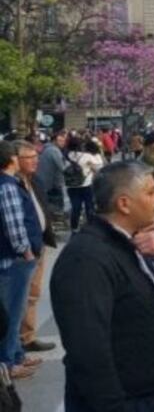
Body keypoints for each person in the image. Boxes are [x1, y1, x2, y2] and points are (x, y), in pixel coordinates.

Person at [51, 161, 154, 411]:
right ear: (123, 204)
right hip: (121, 399)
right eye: (151, 192)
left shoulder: (123, 242)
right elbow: (88, 347)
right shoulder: (87, 258)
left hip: (143, 391)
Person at [0, 141, 44, 379]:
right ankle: (8, 361)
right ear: (12, 160)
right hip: (14, 259)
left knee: (14, 311)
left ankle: (15, 355)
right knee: (12, 312)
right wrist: (25, 251)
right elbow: (14, 225)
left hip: (15, 258)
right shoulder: (7, 186)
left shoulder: (11, 183)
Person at [13, 141, 57, 355]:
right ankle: (15, 346)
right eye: (29, 157)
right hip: (23, 249)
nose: (35, 161)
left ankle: (27, 337)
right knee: (18, 297)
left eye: (35, 156)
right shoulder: (12, 184)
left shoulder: (35, 180)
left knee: (33, 294)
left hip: (39, 243)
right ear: (15, 160)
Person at [65, 137, 105, 233]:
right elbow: (99, 166)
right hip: (86, 185)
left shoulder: (67, 155)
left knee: (75, 207)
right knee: (89, 207)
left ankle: (74, 228)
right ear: (80, 145)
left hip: (71, 186)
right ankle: (90, 227)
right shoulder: (86, 156)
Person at [35, 130, 67, 212]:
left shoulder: (46, 148)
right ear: (54, 141)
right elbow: (62, 167)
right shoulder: (54, 150)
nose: (63, 143)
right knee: (57, 205)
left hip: (45, 181)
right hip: (53, 182)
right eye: (60, 141)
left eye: (64, 141)